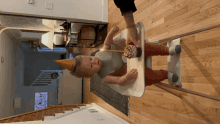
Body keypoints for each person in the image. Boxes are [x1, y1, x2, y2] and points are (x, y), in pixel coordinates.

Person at [53, 0, 181, 86]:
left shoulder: (100, 54)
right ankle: (166, 75)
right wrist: (126, 78)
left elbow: (107, 43)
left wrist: (110, 34)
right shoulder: (104, 77)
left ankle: (167, 50)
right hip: (129, 68)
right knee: (145, 78)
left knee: (140, 47)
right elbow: (119, 81)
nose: (94, 61)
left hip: (126, 52)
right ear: (91, 75)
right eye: (92, 66)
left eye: (91, 59)